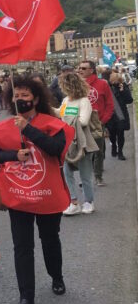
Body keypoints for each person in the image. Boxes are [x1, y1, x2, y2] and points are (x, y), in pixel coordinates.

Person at [0, 76, 73, 304]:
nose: (20, 99)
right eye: (16, 95)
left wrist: (28, 130)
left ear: (35, 98)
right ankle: (26, 295)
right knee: (22, 246)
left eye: (25, 95)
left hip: (47, 193)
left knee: (50, 238)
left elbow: (56, 149)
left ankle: (56, 276)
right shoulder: (5, 127)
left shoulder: (52, 123)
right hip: (18, 196)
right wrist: (13, 155)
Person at [58, 73, 99, 215]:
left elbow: (83, 121)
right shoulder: (65, 100)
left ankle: (89, 201)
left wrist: (66, 120)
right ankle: (73, 202)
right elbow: (60, 113)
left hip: (82, 142)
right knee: (66, 173)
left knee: (85, 175)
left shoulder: (84, 101)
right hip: (68, 142)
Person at [78, 60, 113, 186]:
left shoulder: (102, 84)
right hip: (81, 124)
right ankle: (85, 178)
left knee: (98, 151)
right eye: (79, 68)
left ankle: (98, 176)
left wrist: (103, 120)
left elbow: (110, 104)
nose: (80, 70)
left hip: (98, 123)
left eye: (83, 68)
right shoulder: (77, 85)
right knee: (83, 152)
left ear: (91, 70)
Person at [107, 72, 132, 160]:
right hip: (110, 115)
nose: (115, 82)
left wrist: (123, 91)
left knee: (120, 134)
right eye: (113, 80)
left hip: (121, 114)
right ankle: (114, 146)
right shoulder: (107, 87)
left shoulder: (123, 86)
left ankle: (120, 152)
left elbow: (129, 100)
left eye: (117, 80)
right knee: (112, 134)